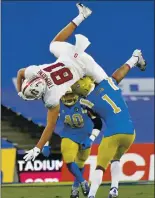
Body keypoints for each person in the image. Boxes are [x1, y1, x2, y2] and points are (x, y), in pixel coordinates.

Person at [16, 2, 146, 169]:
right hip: (72, 55)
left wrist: (38, 147)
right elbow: (20, 72)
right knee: (54, 44)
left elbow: (50, 125)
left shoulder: (51, 96)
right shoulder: (34, 71)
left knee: (111, 82)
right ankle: (82, 15)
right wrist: (20, 90)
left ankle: (134, 59)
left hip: (85, 66)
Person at [70, 62, 146, 198]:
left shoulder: (85, 101)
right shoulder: (110, 82)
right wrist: (133, 59)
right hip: (130, 132)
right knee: (116, 159)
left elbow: (96, 122)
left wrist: (89, 137)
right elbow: (121, 72)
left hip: (113, 133)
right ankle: (114, 189)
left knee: (100, 167)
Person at [42, 87, 102, 198]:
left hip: (85, 136)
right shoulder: (57, 106)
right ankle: (84, 183)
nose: (69, 98)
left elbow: (98, 122)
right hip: (69, 135)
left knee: (80, 163)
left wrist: (91, 139)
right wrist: (45, 144)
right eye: (66, 95)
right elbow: (50, 126)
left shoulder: (85, 103)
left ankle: (75, 189)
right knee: (69, 159)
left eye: (70, 95)